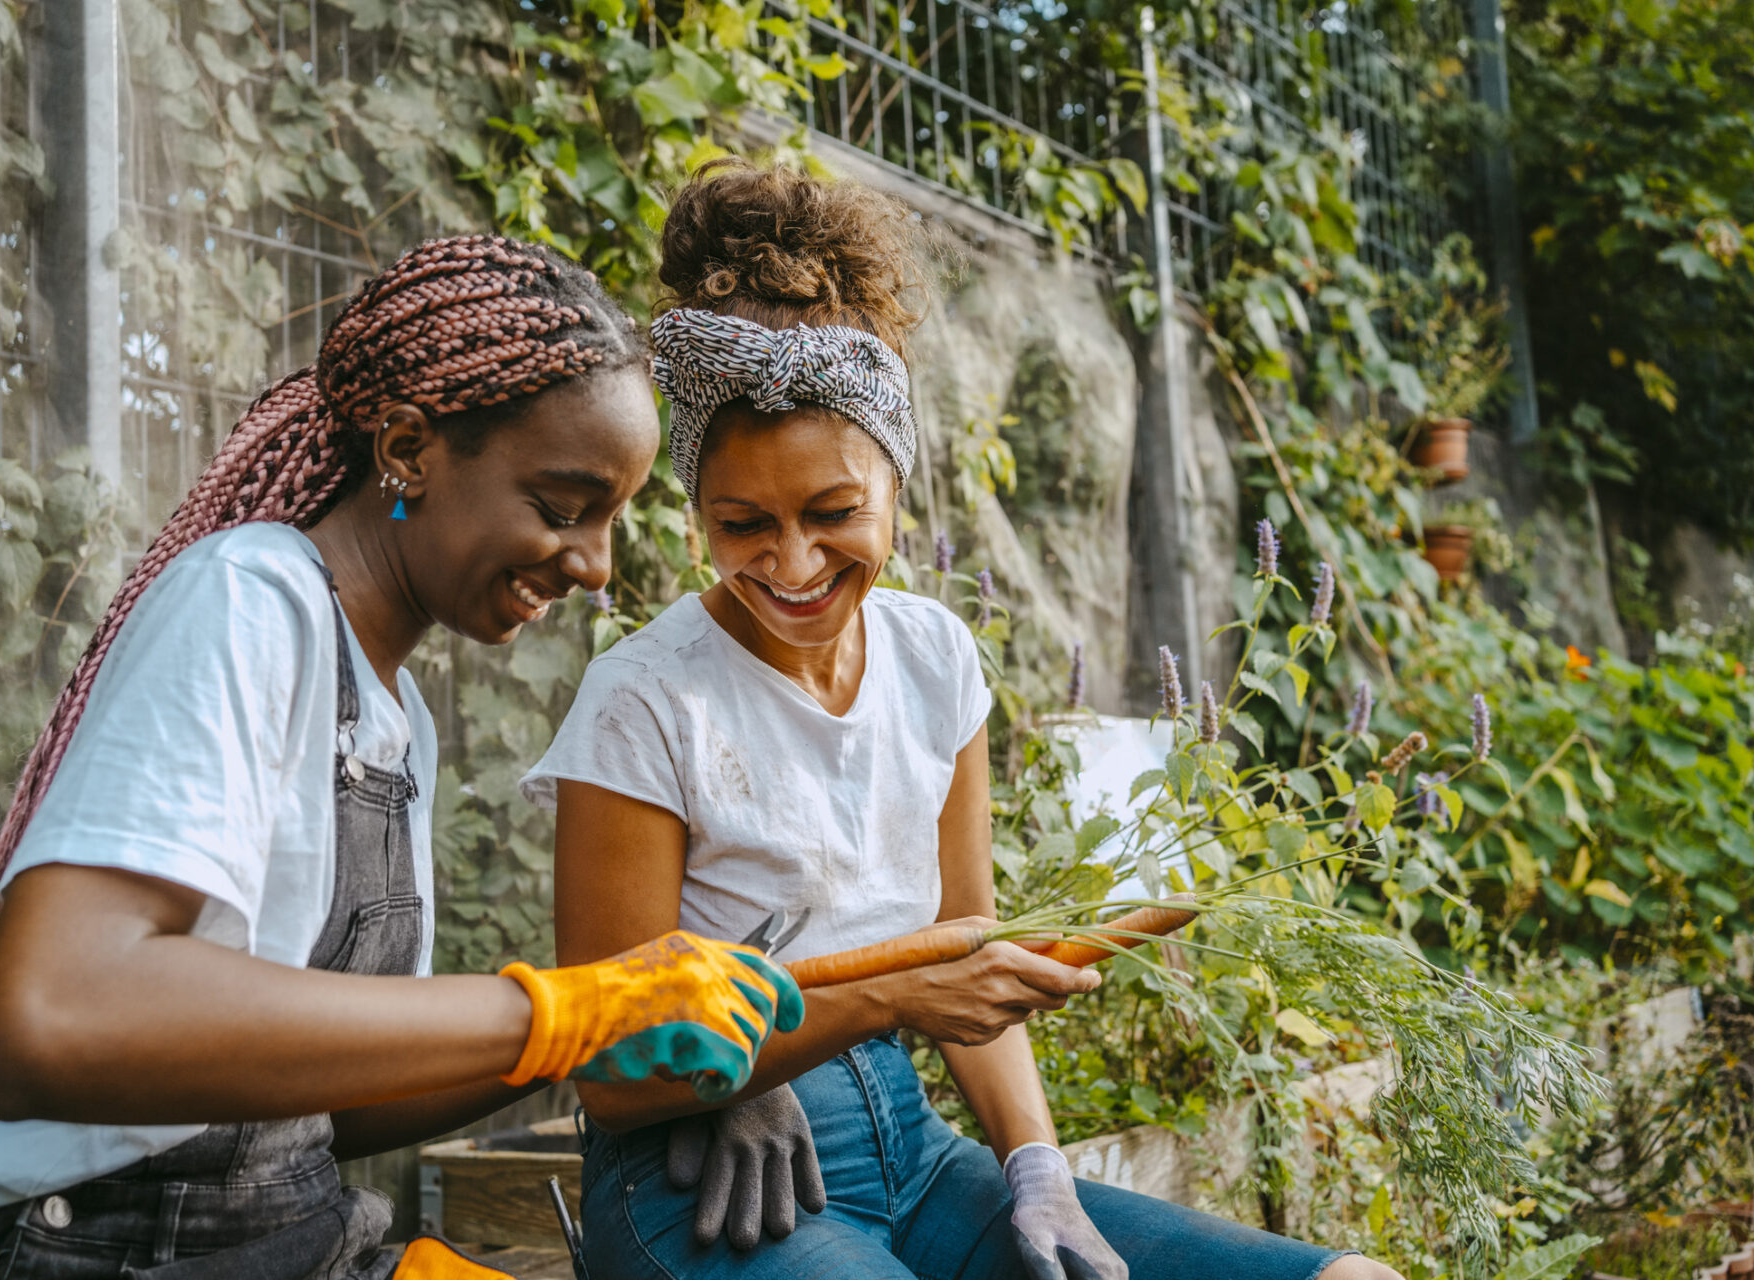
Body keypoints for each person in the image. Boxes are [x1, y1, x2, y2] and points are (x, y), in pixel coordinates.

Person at [524, 162, 1402, 1280]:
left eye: (835, 512)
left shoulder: (935, 656)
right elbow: (611, 1065)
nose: (792, 563)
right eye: (742, 522)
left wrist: (1037, 1163)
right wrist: (847, 1012)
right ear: (694, 506)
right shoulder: (647, 699)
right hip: (703, 1182)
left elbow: (965, 949)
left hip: (919, 1152)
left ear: (898, 482)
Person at [0, 235, 802, 1280]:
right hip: (107, 1246)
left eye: (609, 520)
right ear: (412, 448)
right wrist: (556, 1009)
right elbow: (51, 1018)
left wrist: (595, 1023)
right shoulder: (249, 600)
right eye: (562, 508)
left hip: (294, 1238)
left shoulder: (392, 711)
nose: (595, 565)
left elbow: (334, 1099)